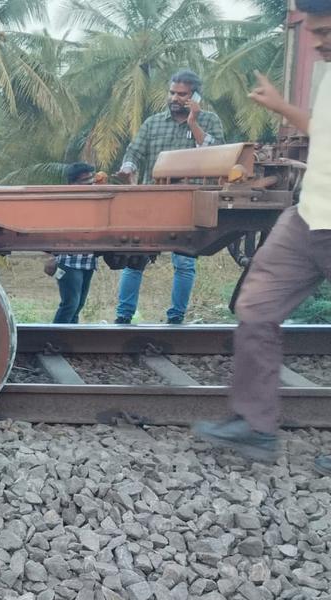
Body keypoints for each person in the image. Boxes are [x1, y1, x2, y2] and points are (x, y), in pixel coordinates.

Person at [194, 0, 331, 475]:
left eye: (326, 31)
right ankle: (256, 426)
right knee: (256, 308)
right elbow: (323, 130)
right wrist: (282, 108)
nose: (318, 42)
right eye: (314, 32)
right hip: (309, 214)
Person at [113, 70, 226, 324]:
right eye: (172, 92)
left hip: (189, 202)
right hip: (152, 200)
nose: (175, 98)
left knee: (184, 263)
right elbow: (134, 151)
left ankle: (175, 319)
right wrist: (128, 167)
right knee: (135, 259)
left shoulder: (210, 121)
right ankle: (123, 316)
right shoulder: (153, 122)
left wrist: (193, 122)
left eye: (182, 94)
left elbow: (216, 154)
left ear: (195, 96)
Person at [45, 163, 99, 323]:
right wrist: (50, 255)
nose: (91, 183)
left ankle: (67, 340)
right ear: (72, 184)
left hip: (88, 260)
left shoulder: (95, 201)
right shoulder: (65, 204)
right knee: (71, 303)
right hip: (69, 260)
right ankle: (56, 339)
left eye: (92, 179)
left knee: (78, 305)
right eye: (86, 180)